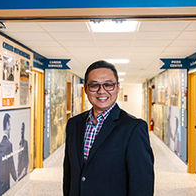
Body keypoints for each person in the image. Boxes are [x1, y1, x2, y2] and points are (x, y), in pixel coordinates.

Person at [63, 60, 154, 196]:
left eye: (108, 85)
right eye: (94, 85)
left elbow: (142, 184)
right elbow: (69, 173)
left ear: (117, 88)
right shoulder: (74, 124)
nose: (101, 91)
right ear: (86, 89)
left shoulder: (134, 128)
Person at [0, 113, 17, 196]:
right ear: (7, 125)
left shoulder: (0, 145)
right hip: (3, 189)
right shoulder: (8, 144)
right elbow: (11, 164)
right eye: (10, 124)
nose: (11, 128)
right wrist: (17, 178)